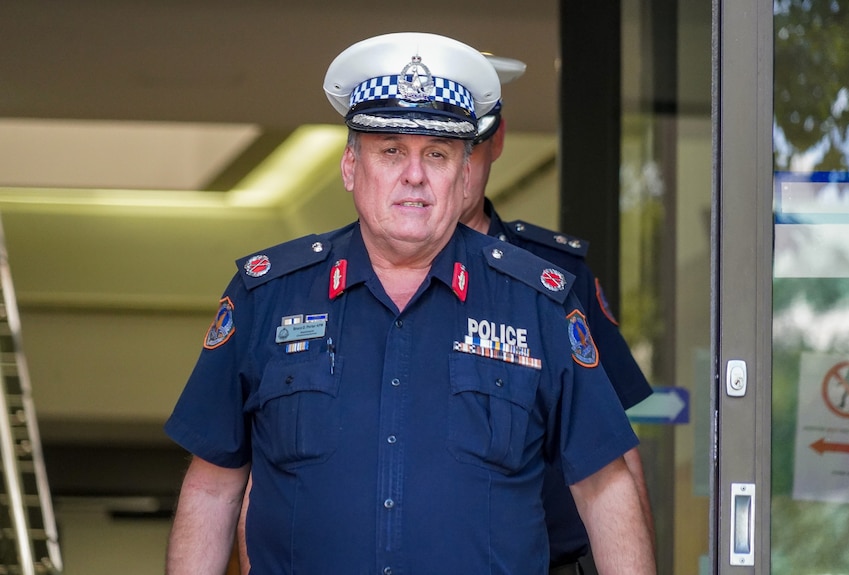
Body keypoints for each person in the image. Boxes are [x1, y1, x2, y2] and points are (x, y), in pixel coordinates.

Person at [164, 31, 655, 575]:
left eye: (437, 154)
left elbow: (605, 488)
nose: (414, 175)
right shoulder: (266, 296)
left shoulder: (537, 302)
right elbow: (213, 489)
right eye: (391, 151)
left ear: (465, 173)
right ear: (351, 166)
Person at [462, 61, 656, 575]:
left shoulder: (554, 276)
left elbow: (614, 449)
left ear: (497, 138)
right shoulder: (348, 280)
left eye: (467, 143)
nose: (447, 166)